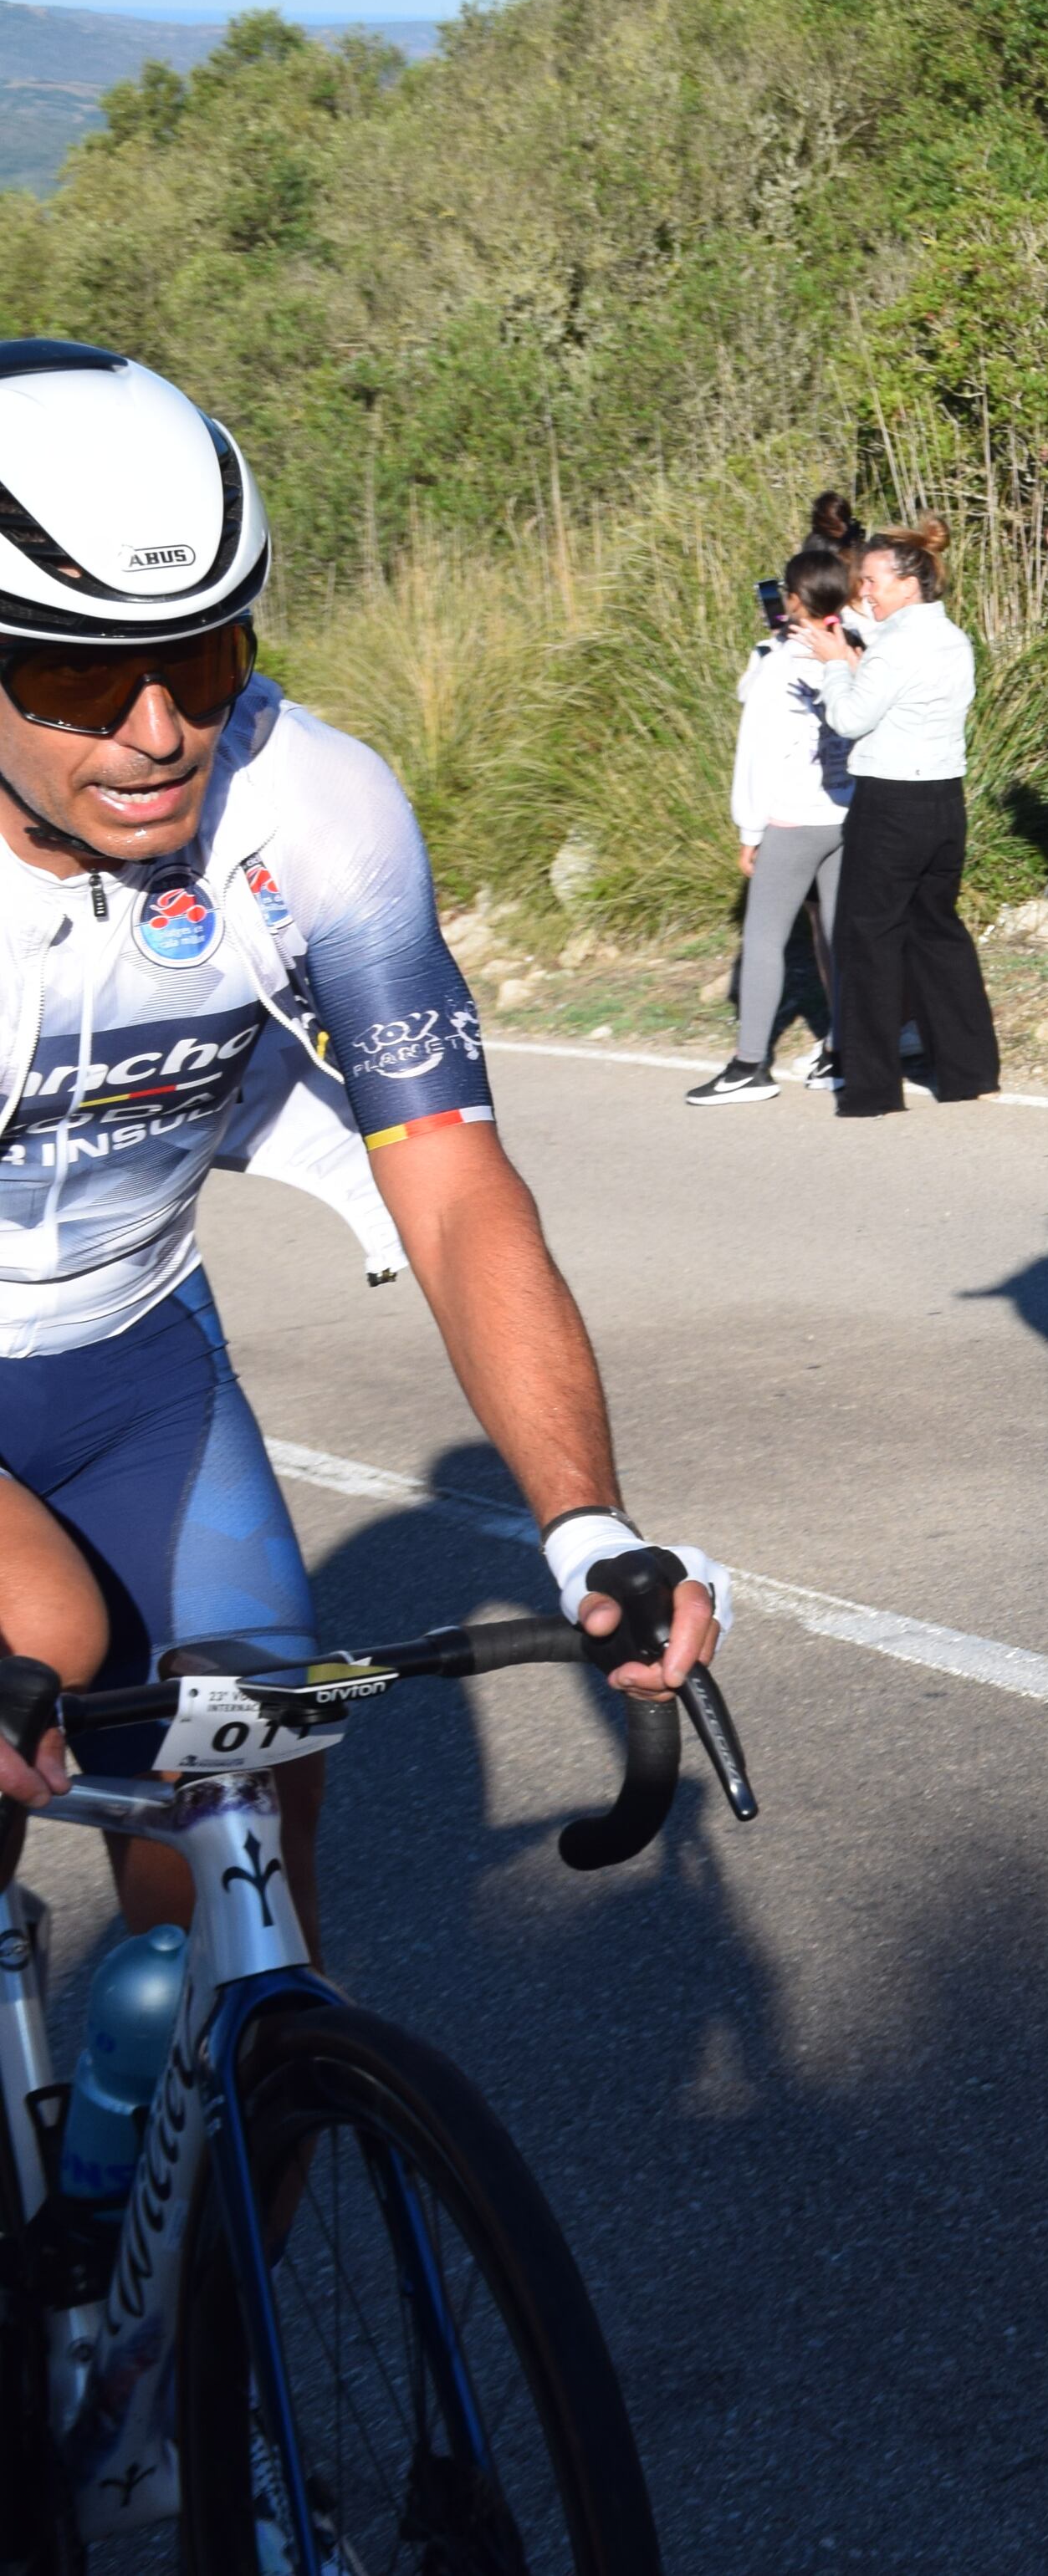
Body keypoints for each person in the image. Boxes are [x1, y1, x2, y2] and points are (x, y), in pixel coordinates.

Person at [0, 339, 728, 1941]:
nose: (154, 729)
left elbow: (457, 1189)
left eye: (198, 660)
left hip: (130, 1346)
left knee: (262, 1759)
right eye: (71, 678)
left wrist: (590, 1526)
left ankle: (208, 2145)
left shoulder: (316, 804)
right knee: (38, 1622)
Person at [800, 522, 999, 1115]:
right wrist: (855, 641)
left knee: (867, 940)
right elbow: (891, 665)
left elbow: (851, 718)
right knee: (939, 933)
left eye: (872, 580)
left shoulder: (895, 645)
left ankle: (870, 1088)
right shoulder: (952, 639)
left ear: (909, 584)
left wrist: (837, 663)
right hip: (944, 799)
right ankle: (969, 1071)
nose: (865, 592)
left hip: (889, 803)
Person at [688, 535, 856, 1104]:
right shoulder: (853, 651)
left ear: (791, 599)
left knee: (764, 939)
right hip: (846, 811)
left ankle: (748, 1066)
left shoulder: (776, 663)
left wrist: (749, 831)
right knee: (839, 936)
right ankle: (846, 1049)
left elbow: (754, 753)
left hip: (790, 820)